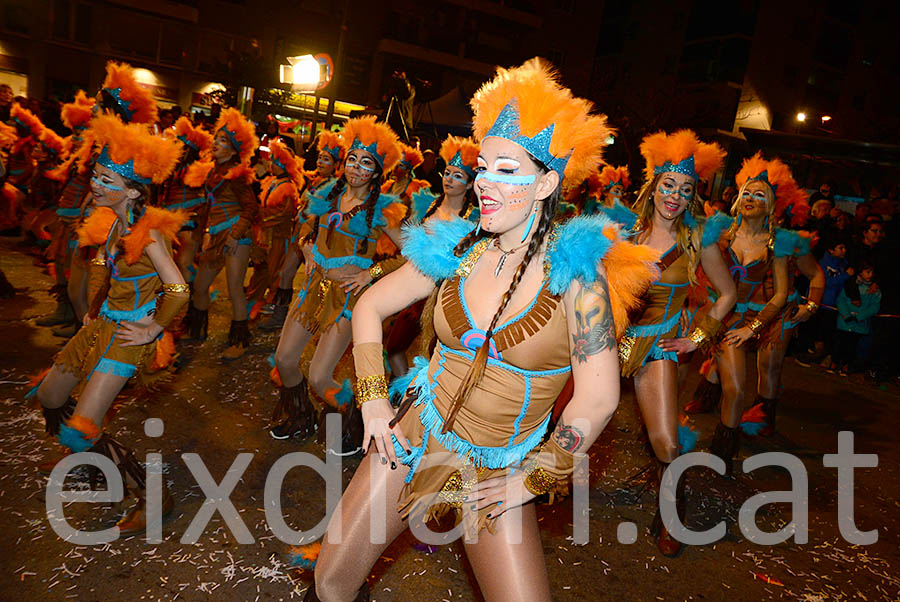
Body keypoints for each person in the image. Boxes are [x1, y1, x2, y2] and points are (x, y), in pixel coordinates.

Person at [300, 58, 658, 602]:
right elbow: (370, 306)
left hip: (498, 468)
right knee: (330, 584)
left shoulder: (576, 277)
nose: (486, 183)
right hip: (417, 435)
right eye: (483, 167)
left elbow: (600, 396)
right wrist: (374, 403)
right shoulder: (459, 246)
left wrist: (535, 476)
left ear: (546, 183)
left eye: (507, 170)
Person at [30, 114, 187, 534]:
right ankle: (92, 462)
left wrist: (153, 329)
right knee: (49, 393)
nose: (96, 185)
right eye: (97, 176)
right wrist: (94, 307)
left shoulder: (147, 232)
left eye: (107, 181)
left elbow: (178, 289)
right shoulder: (112, 221)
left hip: (127, 335)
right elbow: (108, 271)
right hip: (101, 326)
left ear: (132, 191)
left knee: (83, 424)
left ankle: (155, 497)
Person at [606, 129, 736, 557]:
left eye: (685, 189)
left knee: (667, 442)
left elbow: (728, 295)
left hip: (658, 346)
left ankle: (671, 509)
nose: (675, 196)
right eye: (668, 186)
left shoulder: (697, 239)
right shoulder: (624, 231)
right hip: (610, 342)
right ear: (653, 186)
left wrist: (697, 337)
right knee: (567, 420)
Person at [269, 116, 406, 453]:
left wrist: (369, 275)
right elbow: (305, 229)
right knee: (284, 360)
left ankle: (353, 415)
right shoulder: (328, 192)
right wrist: (305, 248)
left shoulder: (382, 210)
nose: (356, 168)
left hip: (346, 299)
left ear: (376, 172)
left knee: (319, 377)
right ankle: (301, 415)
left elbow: (412, 257)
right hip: (312, 290)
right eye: (353, 160)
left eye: (366, 163)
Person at [704, 154, 812, 472]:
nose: (751, 198)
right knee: (673, 370)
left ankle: (722, 452)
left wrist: (753, 328)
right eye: (747, 192)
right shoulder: (719, 231)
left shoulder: (775, 243)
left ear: (772, 205)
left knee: (737, 390)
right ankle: (665, 436)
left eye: (760, 194)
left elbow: (780, 294)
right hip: (705, 316)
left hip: (738, 322)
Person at [47, 62, 160, 338]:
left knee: (92, 293)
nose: (92, 108)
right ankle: (84, 337)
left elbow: (135, 190)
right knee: (80, 291)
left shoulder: (124, 146)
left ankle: (91, 344)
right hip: (86, 221)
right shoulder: (94, 140)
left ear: (111, 111)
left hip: (109, 224)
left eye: (98, 104)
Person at [383, 135, 481, 378]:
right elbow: (407, 250)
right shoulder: (425, 205)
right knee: (393, 348)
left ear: (469, 185)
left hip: (443, 297)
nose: (449, 179)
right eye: (448, 173)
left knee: (431, 357)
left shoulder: (474, 219)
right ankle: (400, 394)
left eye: (458, 175)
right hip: (412, 293)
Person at [183, 108, 259, 360]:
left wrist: (236, 234)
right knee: (201, 284)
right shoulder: (213, 169)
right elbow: (209, 204)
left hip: (236, 236)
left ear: (235, 149)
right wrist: (201, 231)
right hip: (215, 236)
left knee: (234, 289)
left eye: (223, 140)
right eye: (216, 138)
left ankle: (239, 340)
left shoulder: (238, 173)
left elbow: (251, 207)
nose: (215, 143)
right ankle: (197, 329)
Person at [259, 130, 346, 331]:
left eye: (326, 160)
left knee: (311, 279)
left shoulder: (335, 187)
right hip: (298, 234)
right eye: (320, 158)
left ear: (335, 165)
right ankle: (281, 315)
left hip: (315, 239)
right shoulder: (314, 181)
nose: (320, 162)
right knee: (286, 272)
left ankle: (306, 320)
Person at [245, 139, 304, 317]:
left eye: (276, 162)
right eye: (271, 160)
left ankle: (273, 303)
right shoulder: (271, 181)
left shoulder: (288, 187)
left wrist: (260, 216)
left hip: (279, 236)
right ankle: (253, 297)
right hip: (265, 235)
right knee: (261, 268)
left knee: (276, 272)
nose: (271, 164)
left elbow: (284, 213)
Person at [158, 116, 213, 285]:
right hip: (169, 219)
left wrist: (204, 229)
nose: (176, 147)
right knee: (170, 262)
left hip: (190, 221)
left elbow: (209, 199)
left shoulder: (201, 170)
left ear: (189, 149)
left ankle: (195, 299)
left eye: (180, 144)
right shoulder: (172, 167)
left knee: (184, 263)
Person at [833, 262, 881, 376]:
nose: (870, 275)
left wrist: (859, 317)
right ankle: (834, 362)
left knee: (852, 346)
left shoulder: (874, 290)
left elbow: (874, 307)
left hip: (859, 324)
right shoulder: (851, 285)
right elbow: (841, 300)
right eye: (867, 272)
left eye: (872, 272)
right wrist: (846, 315)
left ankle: (846, 365)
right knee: (840, 343)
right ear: (860, 272)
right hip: (845, 322)